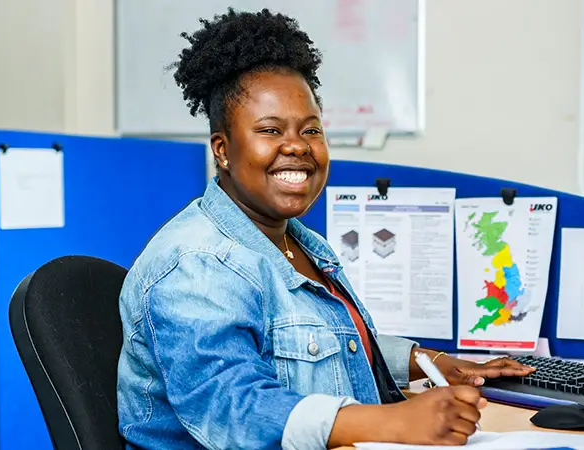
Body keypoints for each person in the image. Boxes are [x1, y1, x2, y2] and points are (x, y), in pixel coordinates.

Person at [116, 8, 533, 450]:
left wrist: (428, 363)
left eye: (310, 129)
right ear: (223, 149)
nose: (297, 145)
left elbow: (313, 346)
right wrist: (389, 423)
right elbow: (233, 408)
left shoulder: (295, 241)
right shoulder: (196, 264)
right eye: (270, 130)